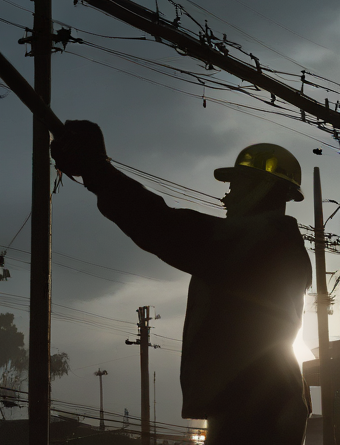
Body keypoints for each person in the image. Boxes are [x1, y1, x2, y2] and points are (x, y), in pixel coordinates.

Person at [51, 120, 312, 445]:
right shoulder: (268, 244)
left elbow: (165, 227)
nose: (226, 198)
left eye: (237, 187)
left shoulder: (263, 242)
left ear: (262, 188)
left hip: (256, 413)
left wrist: (99, 173)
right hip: (256, 408)